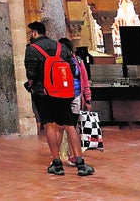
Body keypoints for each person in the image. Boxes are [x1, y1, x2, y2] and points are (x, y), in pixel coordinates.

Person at [24, 22, 95, 177]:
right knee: (70, 126)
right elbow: (71, 67)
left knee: (50, 125)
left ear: (35, 33)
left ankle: (57, 163)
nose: (29, 35)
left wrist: (32, 85)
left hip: (43, 93)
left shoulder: (32, 49)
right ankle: (80, 163)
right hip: (63, 93)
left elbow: (31, 73)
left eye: (30, 33)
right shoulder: (59, 47)